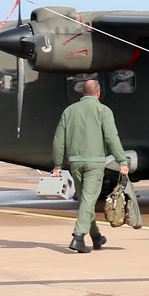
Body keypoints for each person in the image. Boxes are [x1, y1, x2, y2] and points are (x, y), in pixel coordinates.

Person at [51, 79, 128, 254]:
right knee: (88, 199)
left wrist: (57, 164)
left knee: (86, 200)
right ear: (98, 93)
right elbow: (111, 137)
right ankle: (78, 237)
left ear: (82, 92)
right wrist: (121, 161)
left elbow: (58, 140)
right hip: (95, 163)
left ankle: (96, 236)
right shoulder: (103, 110)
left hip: (75, 162)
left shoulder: (69, 111)